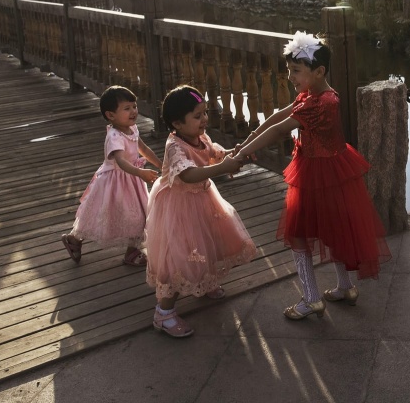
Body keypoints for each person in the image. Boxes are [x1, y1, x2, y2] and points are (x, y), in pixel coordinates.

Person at [231, 32, 391, 320]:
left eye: (296, 71)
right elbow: (280, 115)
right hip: (334, 172)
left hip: (317, 175)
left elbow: (281, 129)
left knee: (300, 235)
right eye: (289, 70)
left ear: (319, 72)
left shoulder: (320, 103)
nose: (290, 76)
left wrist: (242, 154)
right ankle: (345, 287)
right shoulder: (314, 94)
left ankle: (311, 298)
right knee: (334, 229)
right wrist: (249, 140)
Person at [145, 85, 255, 338]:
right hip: (179, 207)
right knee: (178, 256)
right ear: (177, 123)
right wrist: (221, 168)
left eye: (204, 112)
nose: (204, 119)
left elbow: (215, 155)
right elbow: (188, 174)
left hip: (203, 200)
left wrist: (234, 154)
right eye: (197, 116)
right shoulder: (174, 147)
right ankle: (164, 313)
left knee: (208, 242)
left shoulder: (200, 137)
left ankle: (205, 282)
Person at [61, 86, 162, 267]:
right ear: (110, 115)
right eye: (126, 108)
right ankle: (74, 239)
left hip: (132, 180)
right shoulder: (114, 136)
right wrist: (141, 172)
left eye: (134, 106)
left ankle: (132, 251)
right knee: (95, 215)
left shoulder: (133, 129)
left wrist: (161, 165)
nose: (133, 111)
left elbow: (144, 149)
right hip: (114, 182)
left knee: (139, 215)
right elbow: (121, 161)